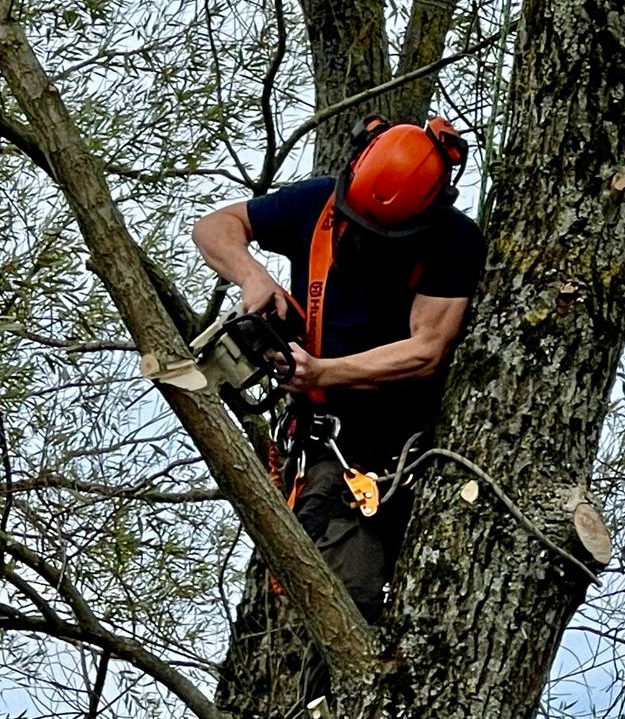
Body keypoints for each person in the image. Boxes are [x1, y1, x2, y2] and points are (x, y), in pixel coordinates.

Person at [192, 115, 486, 709]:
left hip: (409, 442)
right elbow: (215, 226)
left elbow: (427, 350)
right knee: (347, 594)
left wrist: (326, 372)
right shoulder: (318, 206)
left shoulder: (452, 241)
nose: (366, 240)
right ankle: (335, 703)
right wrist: (253, 277)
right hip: (334, 449)